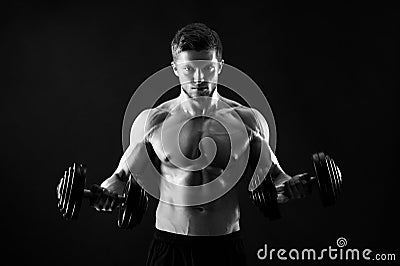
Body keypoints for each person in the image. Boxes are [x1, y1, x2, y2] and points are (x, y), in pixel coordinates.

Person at [92, 23, 310, 266]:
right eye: (188, 69)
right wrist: (105, 194)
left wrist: (291, 187)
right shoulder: (152, 121)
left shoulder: (248, 121)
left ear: (220, 66)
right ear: (175, 69)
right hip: (171, 247)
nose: (198, 78)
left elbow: (273, 179)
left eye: (208, 68)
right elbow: (121, 179)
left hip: (224, 247)